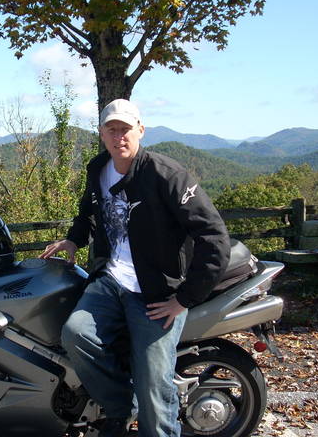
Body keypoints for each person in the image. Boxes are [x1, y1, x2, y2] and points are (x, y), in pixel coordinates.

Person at [39, 99, 231, 437]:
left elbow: (214, 237)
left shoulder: (167, 175)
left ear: (140, 130)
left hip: (157, 291)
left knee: (153, 386)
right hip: (112, 280)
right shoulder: (98, 168)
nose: (119, 137)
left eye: (125, 129)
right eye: (111, 130)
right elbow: (89, 211)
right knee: (75, 334)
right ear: (101, 134)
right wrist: (73, 240)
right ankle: (120, 409)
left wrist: (184, 299)